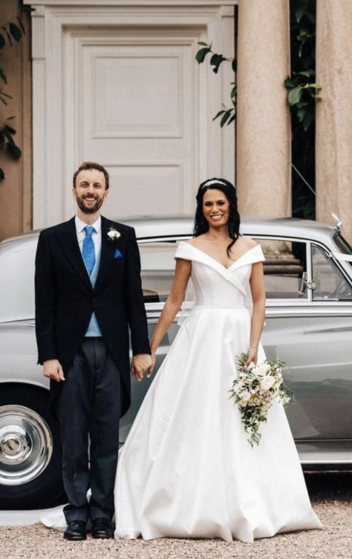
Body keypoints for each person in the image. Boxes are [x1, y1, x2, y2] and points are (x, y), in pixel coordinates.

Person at [113, 178, 321, 541]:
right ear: (202, 208)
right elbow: (175, 301)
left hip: (240, 338)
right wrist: (147, 347)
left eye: (220, 203)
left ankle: (254, 503)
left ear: (231, 205)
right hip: (202, 336)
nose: (214, 210)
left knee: (243, 419)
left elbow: (259, 302)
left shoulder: (252, 249)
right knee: (196, 414)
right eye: (208, 204)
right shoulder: (190, 249)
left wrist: (254, 347)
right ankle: (190, 503)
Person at [34, 161, 152, 541]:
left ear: (106, 193)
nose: (90, 190)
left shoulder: (123, 237)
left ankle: (102, 514)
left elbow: (133, 298)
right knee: (72, 438)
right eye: (83, 184)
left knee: (105, 437)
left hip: (112, 351)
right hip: (69, 355)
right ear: (74, 192)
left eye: (96, 185)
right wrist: (48, 355)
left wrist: (141, 349)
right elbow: (44, 302)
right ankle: (75, 515)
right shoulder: (52, 239)